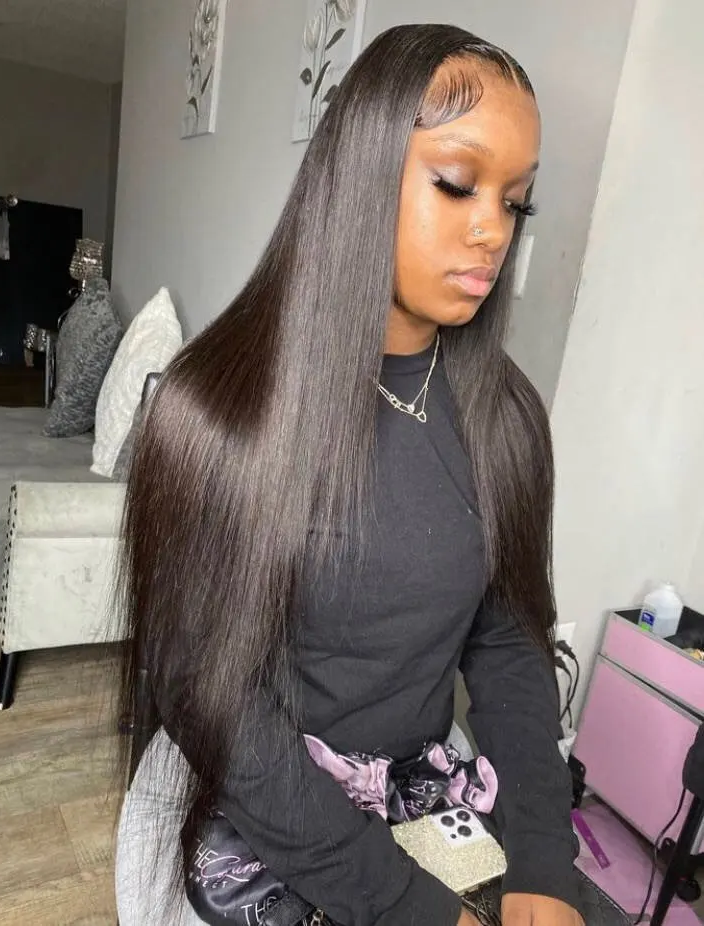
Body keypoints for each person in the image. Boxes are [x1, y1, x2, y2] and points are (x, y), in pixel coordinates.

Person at [118, 22, 606, 926]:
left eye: (517, 202)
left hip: (417, 782)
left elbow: (509, 638)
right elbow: (212, 697)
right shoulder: (215, 413)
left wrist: (544, 856)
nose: (492, 230)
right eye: (456, 183)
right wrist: (402, 905)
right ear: (359, 170)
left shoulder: (504, 418)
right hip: (263, 794)